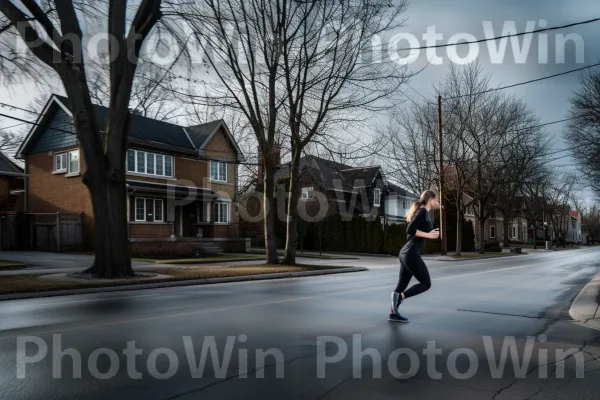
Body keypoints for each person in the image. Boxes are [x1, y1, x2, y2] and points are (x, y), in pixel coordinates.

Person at [389, 190, 440, 323]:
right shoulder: (422, 212)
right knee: (426, 283)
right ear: (430, 200)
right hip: (411, 254)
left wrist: (429, 233)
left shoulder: (423, 212)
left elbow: (414, 232)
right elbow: (410, 230)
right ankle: (401, 298)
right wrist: (429, 235)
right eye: (436, 199)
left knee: (400, 286)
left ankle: (393, 313)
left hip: (405, 253)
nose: (437, 202)